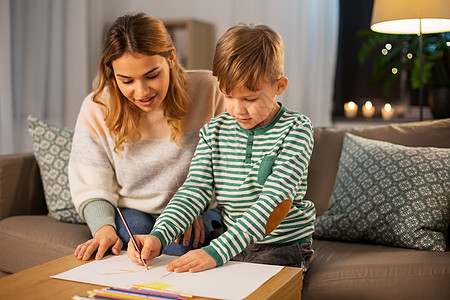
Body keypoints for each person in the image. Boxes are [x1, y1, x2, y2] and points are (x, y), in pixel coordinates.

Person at [128, 23, 315, 273]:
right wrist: (159, 236)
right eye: (228, 95)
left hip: (281, 247)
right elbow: (194, 191)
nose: (238, 109)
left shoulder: (297, 130)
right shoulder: (213, 131)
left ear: (279, 86)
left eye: (250, 99)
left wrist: (216, 252)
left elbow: (273, 202)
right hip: (230, 242)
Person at [68, 12, 224, 261]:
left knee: (180, 250)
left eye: (152, 75)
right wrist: (103, 229)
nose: (141, 92)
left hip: (195, 205)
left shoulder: (210, 90)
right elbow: (91, 185)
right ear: (111, 72)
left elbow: (232, 165)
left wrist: (192, 207)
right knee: (139, 249)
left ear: (171, 57)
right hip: (133, 210)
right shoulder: (97, 107)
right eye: (126, 80)